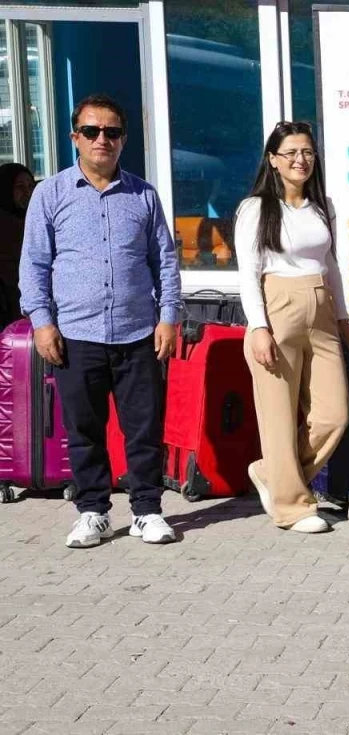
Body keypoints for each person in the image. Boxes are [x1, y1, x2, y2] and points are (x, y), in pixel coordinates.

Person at [19, 94, 182, 548]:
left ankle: (147, 511)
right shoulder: (50, 194)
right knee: (84, 431)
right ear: (75, 137)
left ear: (123, 139)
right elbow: (33, 264)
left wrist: (168, 316)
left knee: (144, 429)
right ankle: (93, 512)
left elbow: (164, 261)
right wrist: (42, 322)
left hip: (138, 332)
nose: (101, 139)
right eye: (91, 131)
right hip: (76, 334)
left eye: (111, 132)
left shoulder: (143, 195)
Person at [235, 121, 349, 534]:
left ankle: (272, 473)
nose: (300, 160)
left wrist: (343, 316)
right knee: (279, 417)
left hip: (321, 308)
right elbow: (248, 272)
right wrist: (258, 327)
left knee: (333, 414)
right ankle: (291, 507)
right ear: (273, 160)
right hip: (277, 307)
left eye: (307, 152)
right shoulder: (256, 209)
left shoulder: (323, 206)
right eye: (291, 153)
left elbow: (332, 264)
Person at [0, 162, 35, 327]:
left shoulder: (37, 220)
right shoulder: (5, 224)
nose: (28, 192)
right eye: (20, 187)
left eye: (31, 186)